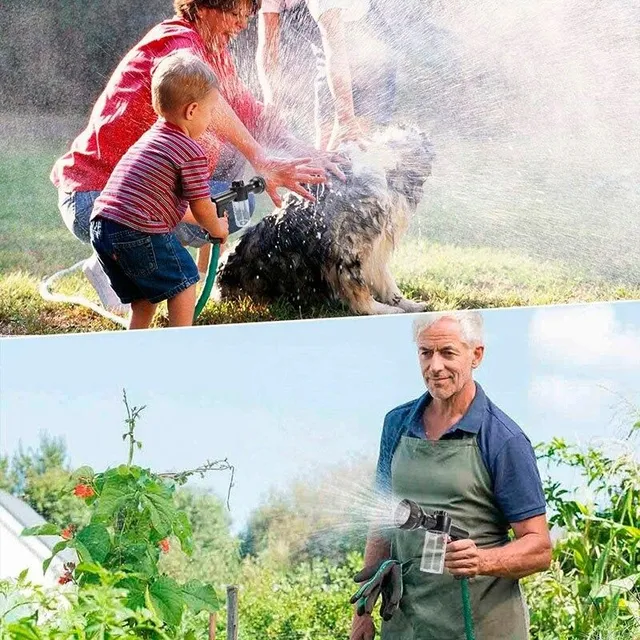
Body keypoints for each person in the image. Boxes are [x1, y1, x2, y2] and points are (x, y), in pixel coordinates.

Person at [51, 0, 344, 314]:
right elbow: (204, 96)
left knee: (231, 167)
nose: (242, 24)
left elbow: (250, 115)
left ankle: (115, 261)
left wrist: (305, 153)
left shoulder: (214, 52)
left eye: (246, 16)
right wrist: (260, 157)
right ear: (203, 8)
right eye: (234, 14)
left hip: (126, 200)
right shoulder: (177, 45)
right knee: (235, 207)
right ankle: (120, 261)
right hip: (94, 199)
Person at [351, 311, 552, 640]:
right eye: (425, 353)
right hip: (406, 625)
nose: (435, 367)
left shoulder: (503, 439)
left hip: (479, 626)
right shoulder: (397, 424)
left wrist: (481, 561)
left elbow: (539, 547)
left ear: (476, 355)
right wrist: (362, 612)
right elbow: (381, 520)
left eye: (447, 352)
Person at [90, 52, 229, 330]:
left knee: (144, 296)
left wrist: (202, 218)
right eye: (211, 111)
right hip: (136, 230)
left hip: (103, 229)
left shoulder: (153, 138)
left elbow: (159, 203)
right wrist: (217, 228)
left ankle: (137, 345)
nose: (212, 118)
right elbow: (202, 208)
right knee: (184, 281)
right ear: (191, 111)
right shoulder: (190, 150)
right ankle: (179, 347)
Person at [256, 0, 398, 150]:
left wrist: (346, 120)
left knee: (350, 152)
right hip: (328, 60)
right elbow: (268, 51)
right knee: (323, 153)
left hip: (372, 59)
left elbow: (336, 53)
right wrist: (272, 105)